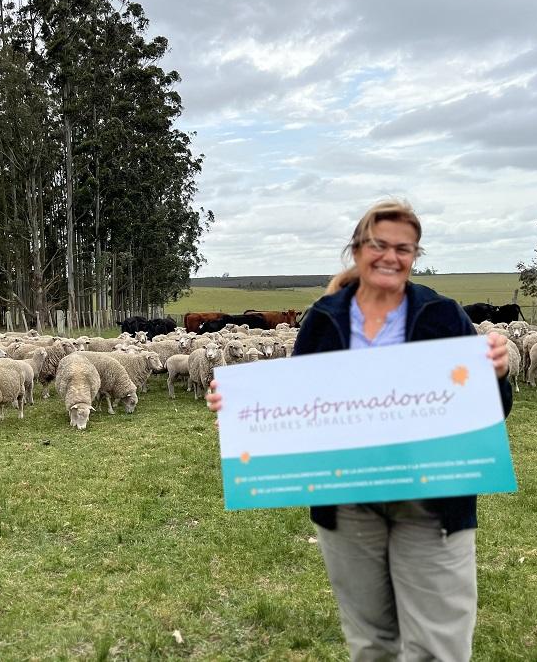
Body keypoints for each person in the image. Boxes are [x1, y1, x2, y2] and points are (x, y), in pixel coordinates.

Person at [207, 199, 513, 662]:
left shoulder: (442, 315)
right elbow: (298, 405)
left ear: (415, 256)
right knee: (372, 644)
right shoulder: (324, 320)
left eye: (404, 248)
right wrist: (243, 407)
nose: (391, 256)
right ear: (356, 249)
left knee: (439, 646)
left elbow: (494, 411)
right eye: (379, 245)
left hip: (432, 502)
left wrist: (498, 376)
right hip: (349, 502)